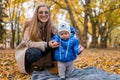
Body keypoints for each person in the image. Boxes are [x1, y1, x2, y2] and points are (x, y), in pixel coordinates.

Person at [15, 3, 59, 74]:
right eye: (41, 12)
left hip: (45, 49)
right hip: (29, 50)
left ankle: (53, 66)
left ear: (49, 14)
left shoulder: (52, 27)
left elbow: (60, 37)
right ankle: (29, 67)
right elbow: (29, 43)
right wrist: (47, 44)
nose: (44, 15)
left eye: (46, 12)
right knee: (35, 53)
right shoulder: (29, 25)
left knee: (58, 46)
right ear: (36, 14)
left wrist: (75, 45)